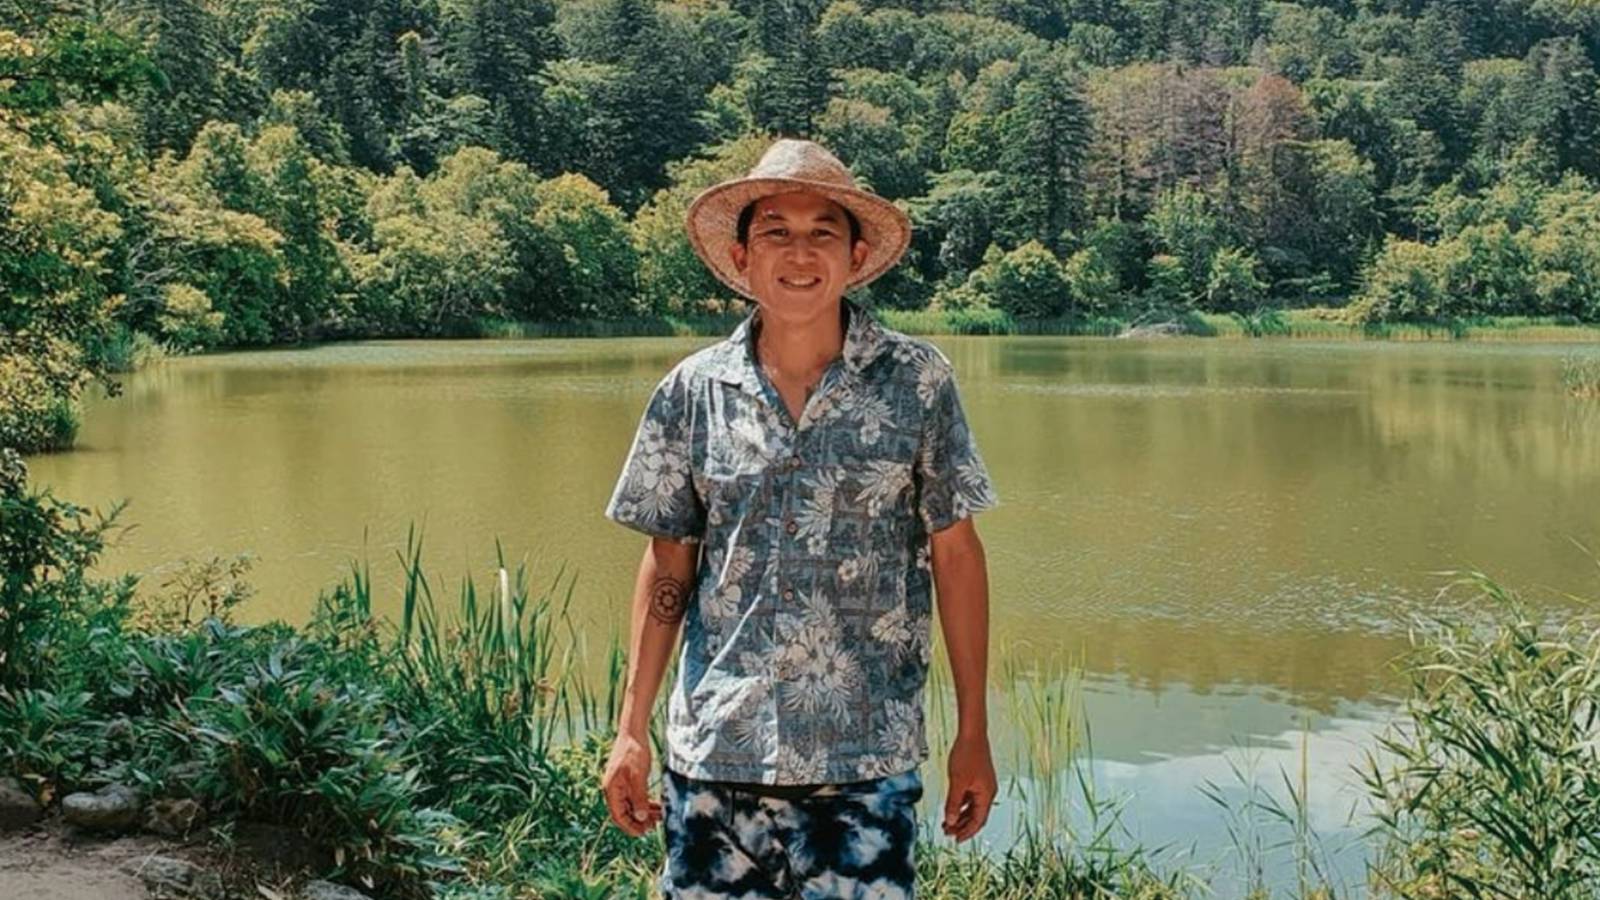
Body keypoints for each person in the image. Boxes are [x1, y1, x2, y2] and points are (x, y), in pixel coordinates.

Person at [601, 137, 999, 899]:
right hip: (716, 756)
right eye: (776, 232)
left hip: (863, 764)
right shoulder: (691, 392)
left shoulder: (917, 383)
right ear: (743, 256)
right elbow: (669, 561)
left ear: (855, 255)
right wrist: (630, 729)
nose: (800, 253)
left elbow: (957, 556)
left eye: (823, 232)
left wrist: (973, 731)